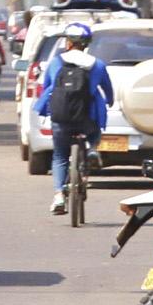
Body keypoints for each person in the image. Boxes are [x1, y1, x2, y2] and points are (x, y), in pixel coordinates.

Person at [39, 20, 113, 217]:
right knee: (95, 127)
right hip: (87, 118)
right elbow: (107, 89)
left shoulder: (55, 62)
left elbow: (46, 86)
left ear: (68, 42)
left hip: (61, 117)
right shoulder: (97, 65)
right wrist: (110, 101)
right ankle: (92, 149)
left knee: (60, 156)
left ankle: (58, 196)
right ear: (86, 44)